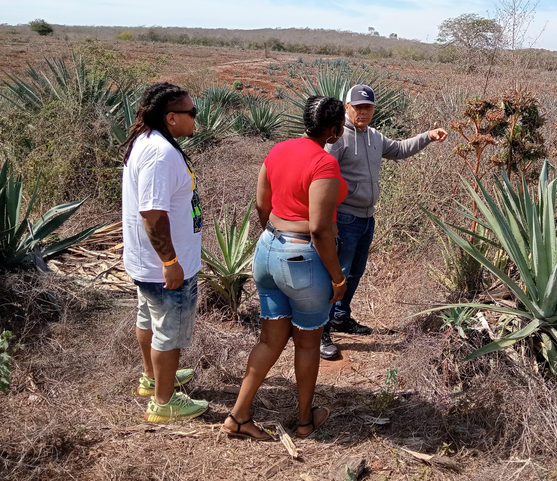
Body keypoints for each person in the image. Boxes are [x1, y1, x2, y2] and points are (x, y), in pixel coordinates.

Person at [222, 96, 348, 440]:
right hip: (303, 258)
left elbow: (262, 204)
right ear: (335, 131)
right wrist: (338, 277)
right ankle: (305, 421)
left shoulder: (278, 150)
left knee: (270, 339)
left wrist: (275, 239)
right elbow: (321, 229)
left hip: (267, 251)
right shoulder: (324, 164)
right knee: (307, 344)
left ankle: (238, 415)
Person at [321, 84, 448, 360]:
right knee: (336, 275)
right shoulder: (338, 138)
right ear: (347, 107)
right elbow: (326, 176)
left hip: (367, 218)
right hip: (344, 217)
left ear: (374, 109)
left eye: (368, 107)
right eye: (358, 107)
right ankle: (321, 330)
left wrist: (427, 136)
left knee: (355, 272)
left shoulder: (375, 137)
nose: (363, 112)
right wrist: (337, 210)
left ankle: (341, 317)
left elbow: (400, 149)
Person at [120, 82, 208, 422]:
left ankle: (152, 378)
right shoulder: (160, 153)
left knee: (149, 319)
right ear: (171, 118)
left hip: (146, 262)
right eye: (191, 113)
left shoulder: (146, 140)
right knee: (169, 332)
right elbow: (153, 216)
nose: (196, 118)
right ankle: (163, 402)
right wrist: (171, 262)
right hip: (166, 266)